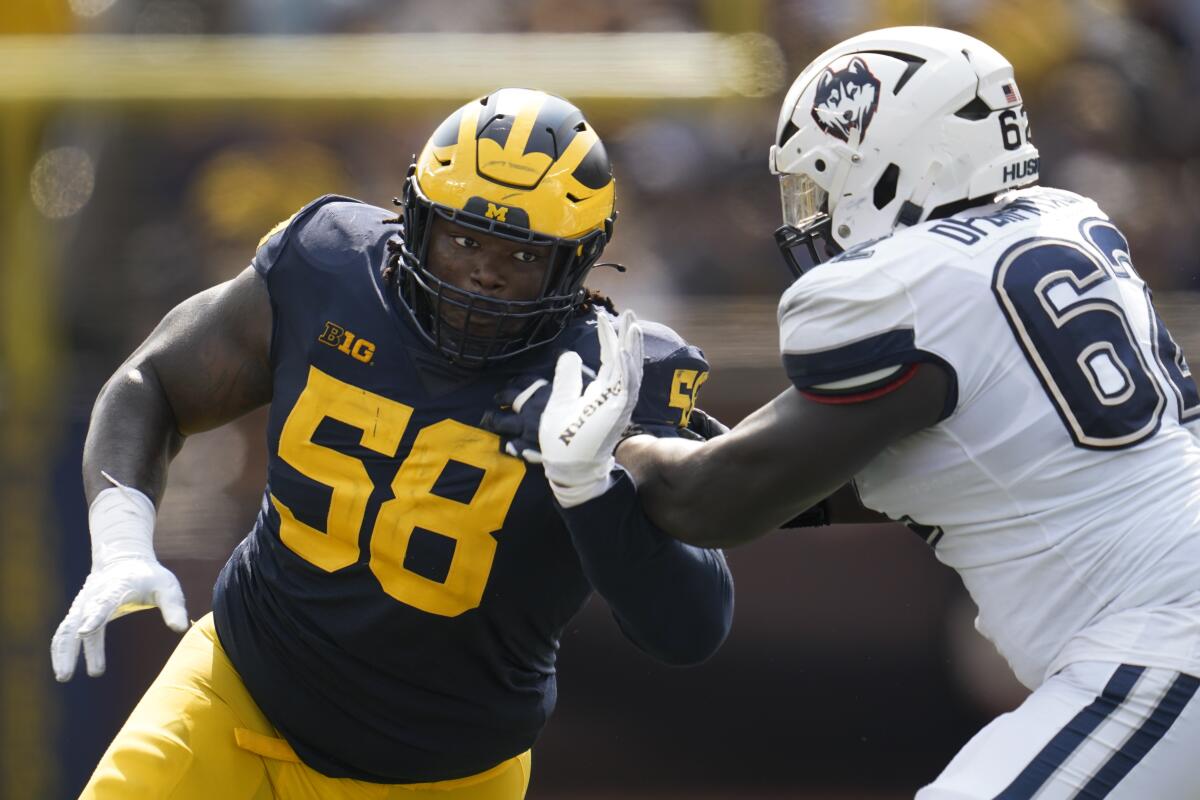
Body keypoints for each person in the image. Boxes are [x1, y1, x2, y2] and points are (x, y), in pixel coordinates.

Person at [516, 27, 1200, 799]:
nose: (812, 213)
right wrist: (726, 460)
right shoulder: (1064, 222)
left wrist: (619, 453)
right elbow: (935, 465)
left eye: (823, 180)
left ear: (911, 161)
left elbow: (716, 503)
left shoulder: (913, 283)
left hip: (1161, 634)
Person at [50, 87, 733, 799]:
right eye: (464, 237)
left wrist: (593, 488)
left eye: (522, 254)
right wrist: (121, 537)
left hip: (443, 777)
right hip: (235, 695)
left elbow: (690, 628)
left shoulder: (613, 376)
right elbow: (153, 380)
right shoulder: (328, 268)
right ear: (414, 215)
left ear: (579, 260)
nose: (485, 270)